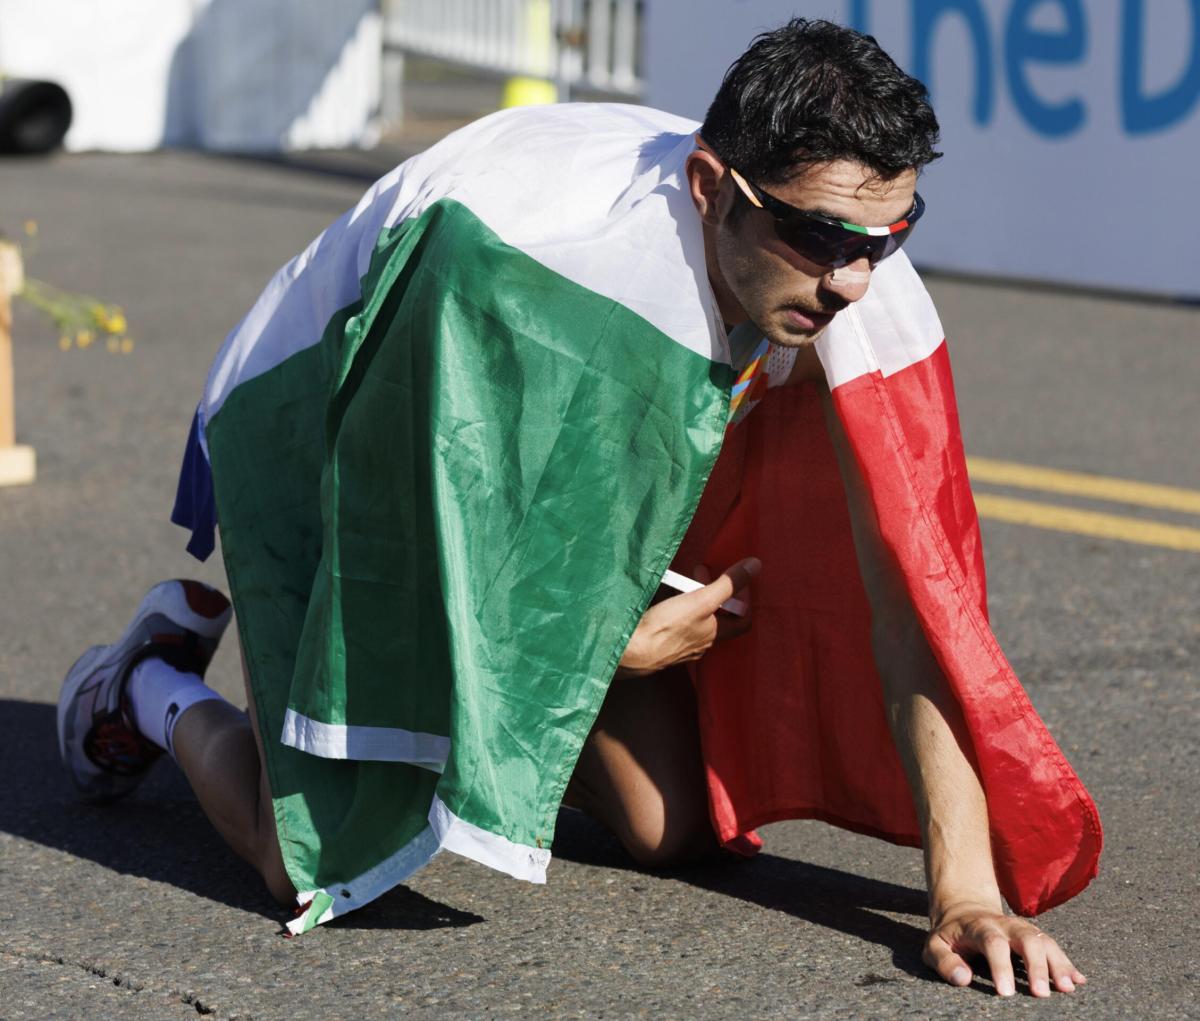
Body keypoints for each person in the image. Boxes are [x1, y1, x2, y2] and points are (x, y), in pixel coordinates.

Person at [57, 18, 1100, 996]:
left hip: (529, 467)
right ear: (710, 187)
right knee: (320, 860)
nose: (856, 283)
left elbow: (916, 600)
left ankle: (476, 749)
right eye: (824, 239)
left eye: (889, 234)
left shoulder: (859, 272)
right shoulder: (526, 263)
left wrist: (965, 896)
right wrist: (601, 655)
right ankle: (145, 685)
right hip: (332, 420)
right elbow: (421, 544)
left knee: (668, 829)